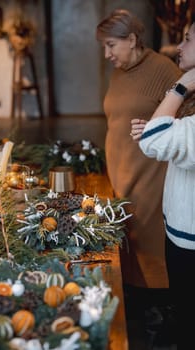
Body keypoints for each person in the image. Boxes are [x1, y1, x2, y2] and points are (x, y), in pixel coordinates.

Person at [96, 8, 181, 314]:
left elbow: (188, 118)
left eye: (110, 45)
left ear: (131, 39)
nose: (106, 54)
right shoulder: (120, 73)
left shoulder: (163, 69)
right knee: (127, 241)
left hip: (149, 178)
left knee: (149, 243)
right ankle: (138, 310)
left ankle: (161, 315)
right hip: (120, 173)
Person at [131, 22, 195, 349]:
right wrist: (159, 130)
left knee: (188, 325)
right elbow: (163, 137)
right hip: (181, 231)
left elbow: (153, 142)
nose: (178, 47)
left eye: (187, 39)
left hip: (190, 243)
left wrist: (182, 84)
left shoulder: (184, 84)